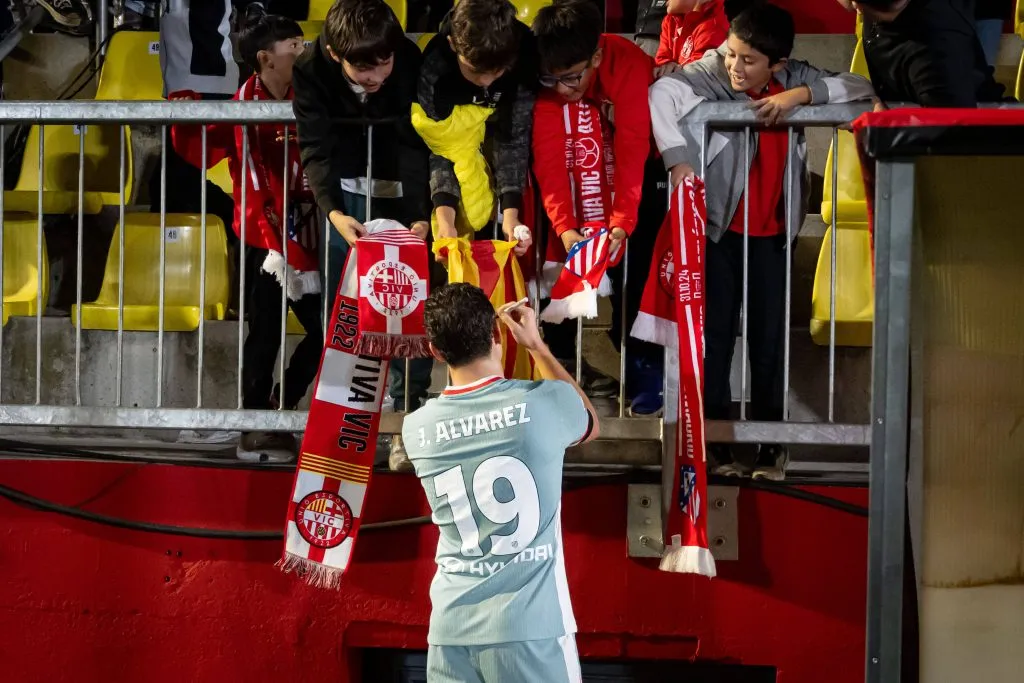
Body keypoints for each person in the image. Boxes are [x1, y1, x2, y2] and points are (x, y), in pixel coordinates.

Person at [650, 3, 873, 479]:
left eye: (748, 61)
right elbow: (663, 92)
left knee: (770, 346)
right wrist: (677, 159)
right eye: (731, 54)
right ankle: (718, 449)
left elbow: (862, 89)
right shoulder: (710, 71)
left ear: (777, 64)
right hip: (718, 233)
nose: (734, 67)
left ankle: (774, 448)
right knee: (716, 343)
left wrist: (799, 96)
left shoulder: (794, 76)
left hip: (773, 238)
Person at [401, 283, 598, 683]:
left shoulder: (415, 428)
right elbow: (589, 423)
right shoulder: (543, 404)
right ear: (496, 335)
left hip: (449, 630)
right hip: (529, 629)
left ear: (435, 352)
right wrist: (537, 348)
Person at [170, 14, 319, 462]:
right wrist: (185, 111)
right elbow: (200, 144)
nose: (301, 47)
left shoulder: (312, 97)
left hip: (310, 231)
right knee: (265, 333)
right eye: (292, 44)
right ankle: (255, 421)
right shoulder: (240, 106)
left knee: (326, 330)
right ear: (265, 58)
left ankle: (284, 403)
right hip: (261, 234)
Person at [292, 0, 435, 428]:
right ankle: (348, 407)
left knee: (409, 301)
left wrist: (420, 215)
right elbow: (313, 146)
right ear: (336, 54)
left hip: (404, 191)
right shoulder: (310, 67)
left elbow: (415, 138)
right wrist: (332, 211)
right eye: (364, 69)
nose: (377, 77)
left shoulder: (408, 58)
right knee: (347, 304)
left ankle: (410, 403)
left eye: (385, 63)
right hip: (346, 197)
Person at [531, 0, 666, 413]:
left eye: (572, 78)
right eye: (551, 79)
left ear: (597, 56)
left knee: (640, 276)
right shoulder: (550, 79)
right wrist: (567, 230)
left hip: (637, 182)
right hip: (573, 190)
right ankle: (558, 370)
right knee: (557, 267)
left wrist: (622, 224)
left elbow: (632, 152)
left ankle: (645, 372)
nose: (561, 89)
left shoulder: (626, 64)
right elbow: (549, 161)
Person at [417, 0, 537, 244]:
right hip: (452, 167)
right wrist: (446, 220)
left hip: (498, 149)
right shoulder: (435, 71)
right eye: (474, 71)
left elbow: (513, 138)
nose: (486, 82)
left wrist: (511, 214)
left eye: (497, 72)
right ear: (453, 45)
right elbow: (444, 147)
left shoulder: (525, 58)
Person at [834, 0, 1005, 106]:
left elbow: (952, 142)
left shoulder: (933, 52)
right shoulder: (882, 10)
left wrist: (884, 127)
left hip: (976, 149)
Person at [653, 0, 730, 77]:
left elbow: (696, 74)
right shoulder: (670, 20)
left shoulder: (714, 27)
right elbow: (661, 61)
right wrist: (666, 66)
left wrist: (670, 70)